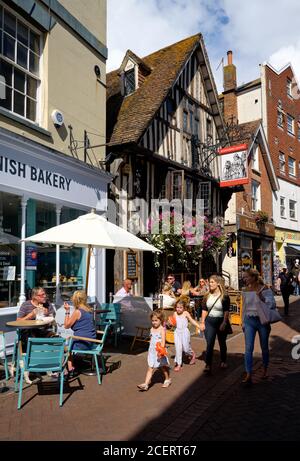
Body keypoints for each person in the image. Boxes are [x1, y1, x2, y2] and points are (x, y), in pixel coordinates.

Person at [242, 269, 277, 385]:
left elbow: (272, 304)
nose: (245, 279)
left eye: (246, 277)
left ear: (253, 277)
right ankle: (248, 373)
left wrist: (262, 297)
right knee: (248, 348)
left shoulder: (264, 288)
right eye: (244, 277)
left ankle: (265, 370)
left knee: (264, 347)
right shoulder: (245, 290)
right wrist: (243, 322)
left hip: (262, 321)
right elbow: (244, 307)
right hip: (249, 320)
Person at [200, 274, 231, 373]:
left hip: (221, 320)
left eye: (212, 282)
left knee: (222, 342)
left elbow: (226, 311)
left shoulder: (224, 296)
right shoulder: (206, 295)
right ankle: (208, 364)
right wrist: (202, 322)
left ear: (218, 283)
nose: (210, 284)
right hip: (210, 321)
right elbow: (204, 310)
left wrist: (224, 322)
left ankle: (223, 360)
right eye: (209, 282)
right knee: (210, 343)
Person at [64, 290, 96, 376]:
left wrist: (67, 311)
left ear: (75, 300)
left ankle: (69, 369)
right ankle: (70, 367)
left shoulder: (78, 312)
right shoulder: (89, 310)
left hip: (82, 343)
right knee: (69, 341)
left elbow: (66, 325)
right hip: (91, 341)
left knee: (63, 346)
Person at [137, 309, 171, 391]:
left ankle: (167, 379)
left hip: (159, 352)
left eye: (156, 320)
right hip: (152, 352)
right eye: (152, 321)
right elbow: (151, 339)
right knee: (150, 368)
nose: (154, 322)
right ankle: (146, 384)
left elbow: (163, 342)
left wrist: (161, 351)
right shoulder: (152, 329)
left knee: (162, 367)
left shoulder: (162, 330)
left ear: (161, 320)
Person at [169, 299, 200, 371]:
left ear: (184, 308)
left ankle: (192, 354)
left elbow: (192, 321)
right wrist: (169, 323)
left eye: (180, 307)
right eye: (177, 307)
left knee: (186, 348)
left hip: (185, 332)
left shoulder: (186, 313)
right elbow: (173, 324)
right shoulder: (175, 313)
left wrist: (198, 326)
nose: (178, 309)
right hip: (177, 332)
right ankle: (178, 364)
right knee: (178, 348)